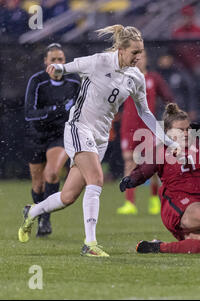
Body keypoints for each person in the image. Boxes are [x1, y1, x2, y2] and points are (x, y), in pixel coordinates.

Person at [18, 24, 179, 257]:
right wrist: (57, 68)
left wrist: (167, 141)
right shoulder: (99, 61)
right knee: (96, 179)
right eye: (134, 52)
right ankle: (90, 244)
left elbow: (145, 113)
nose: (138, 57)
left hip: (100, 138)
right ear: (121, 50)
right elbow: (67, 68)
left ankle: (31, 212)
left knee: (68, 196)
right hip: (78, 127)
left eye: (141, 51)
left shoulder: (136, 77)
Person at [119, 103, 200, 254]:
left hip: (197, 206)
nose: (185, 134)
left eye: (187, 129)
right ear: (167, 132)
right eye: (180, 130)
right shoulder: (162, 151)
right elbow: (145, 170)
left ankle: (157, 247)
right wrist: (131, 179)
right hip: (176, 205)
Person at [24, 43, 81, 237]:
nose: (57, 63)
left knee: (52, 173)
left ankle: (46, 220)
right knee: (38, 184)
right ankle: (39, 216)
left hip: (60, 134)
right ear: (46, 62)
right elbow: (29, 113)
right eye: (53, 60)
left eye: (61, 60)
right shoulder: (37, 81)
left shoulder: (74, 81)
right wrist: (54, 110)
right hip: (37, 135)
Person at [117, 50, 174, 216]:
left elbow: (168, 98)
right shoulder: (124, 77)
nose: (139, 61)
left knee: (153, 165)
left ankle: (154, 199)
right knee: (129, 162)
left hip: (148, 127)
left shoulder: (153, 79)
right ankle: (129, 202)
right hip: (128, 126)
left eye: (141, 58)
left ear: (146, 60)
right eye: (136, 58)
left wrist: (172, 116)